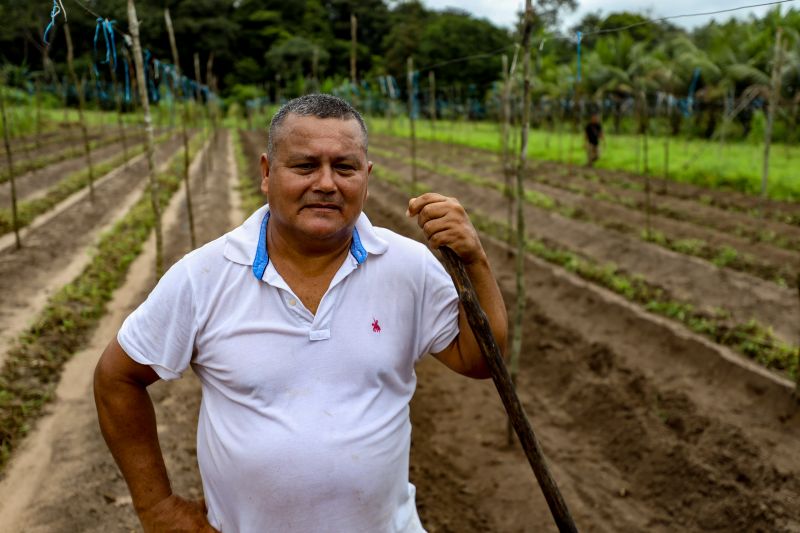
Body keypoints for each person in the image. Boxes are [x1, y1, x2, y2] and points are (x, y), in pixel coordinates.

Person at [94, 94, 507, 533]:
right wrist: (157, 509)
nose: (326, 183)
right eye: (306, 166)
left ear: (366, 177)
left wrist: (475, 260)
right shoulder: (205, 275)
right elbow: (117, 378)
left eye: (344, 167)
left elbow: (481, 361)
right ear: (267, 173)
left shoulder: (409, 267)